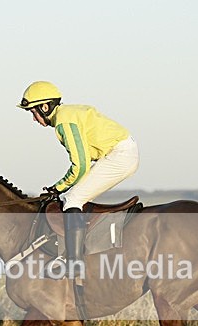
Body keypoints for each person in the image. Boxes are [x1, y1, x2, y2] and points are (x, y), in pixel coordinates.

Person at [17, 81, 139, 281]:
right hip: (120, 152)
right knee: (72, 195)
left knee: (72, 198)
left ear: (44, 107)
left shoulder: (64, 122)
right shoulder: (67, 115)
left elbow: (80, 166)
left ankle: (74, 263)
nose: (33, 119)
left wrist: (58, 187)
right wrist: (62, 187)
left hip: (120, 155)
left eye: (33, 112)